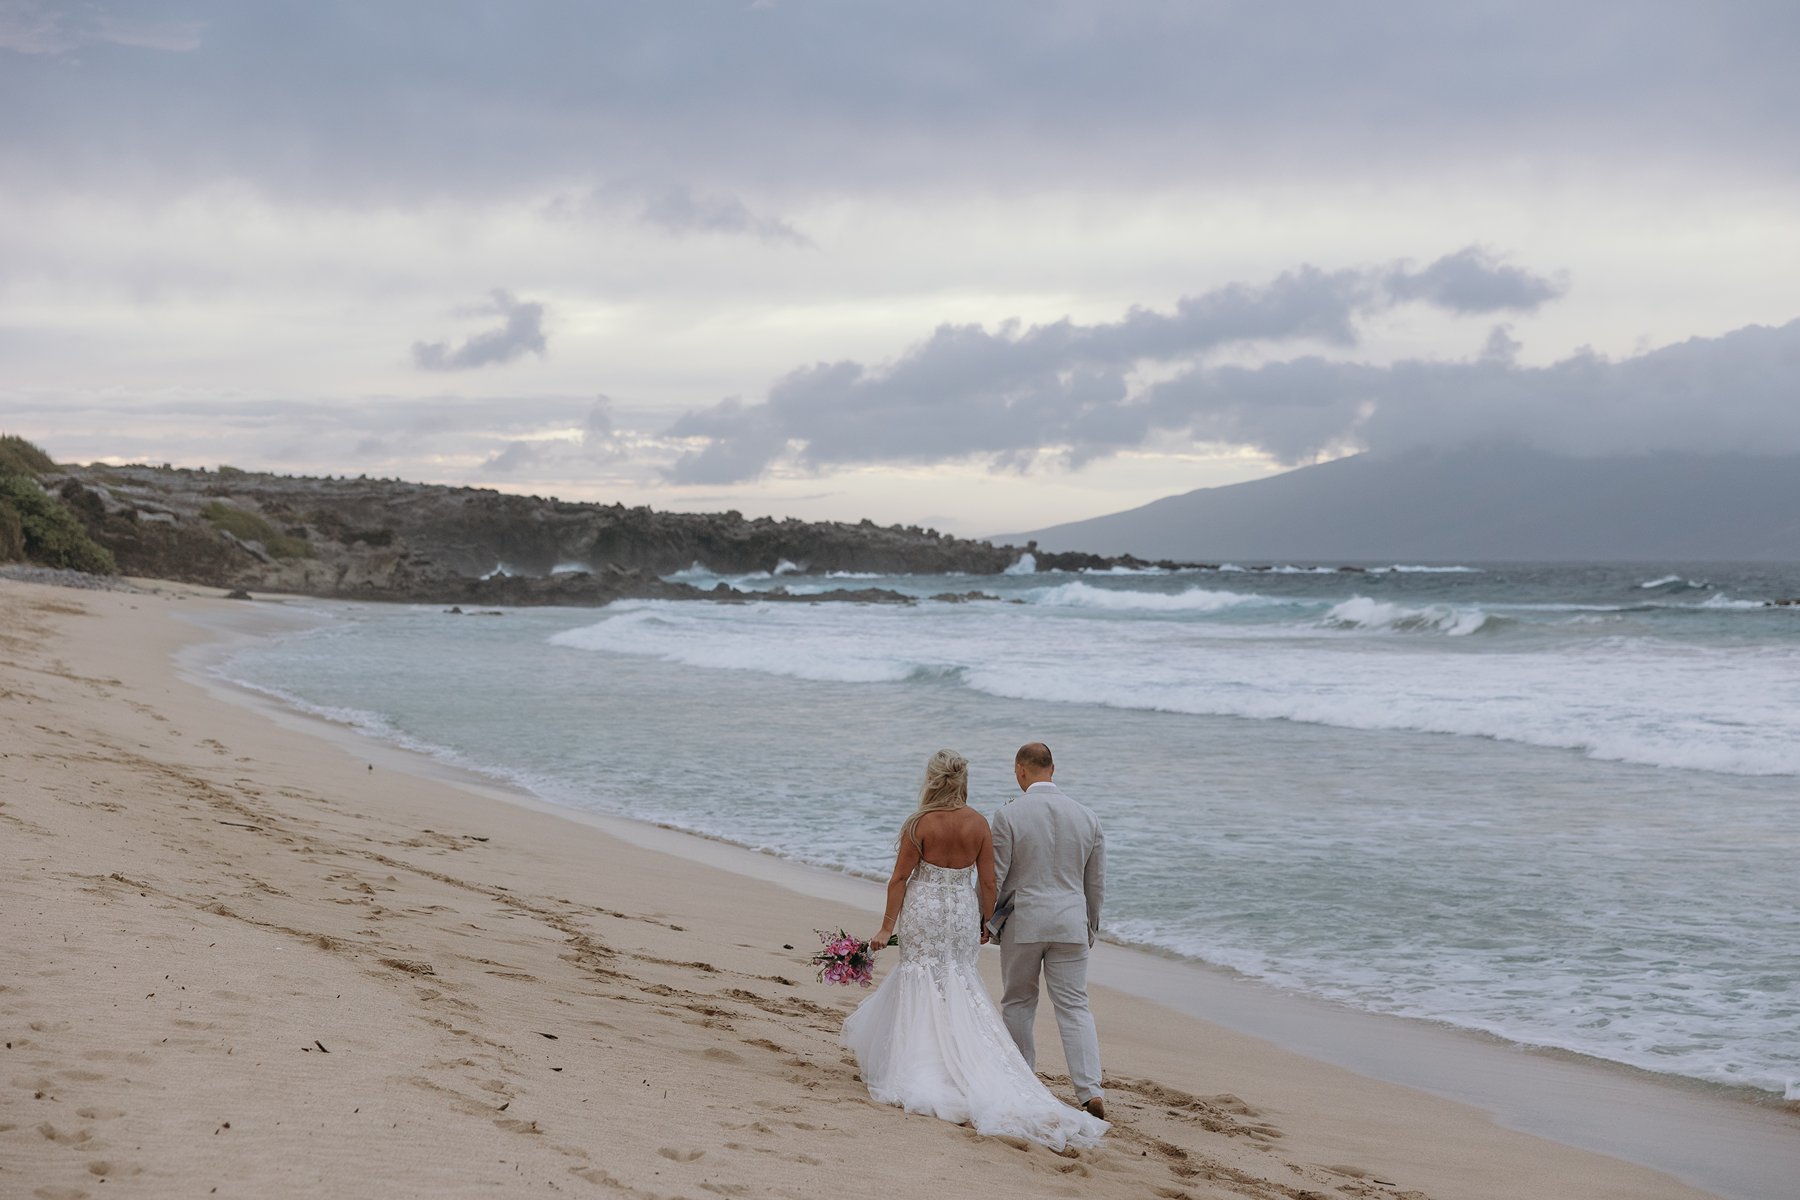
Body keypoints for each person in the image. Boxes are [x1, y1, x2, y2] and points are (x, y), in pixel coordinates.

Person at [840, 749, 1107, 1150]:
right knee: (988, 986)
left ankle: (983, 1067)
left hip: (959, 915)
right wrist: (988, 920)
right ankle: (1082, 1087)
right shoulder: (1000, 821)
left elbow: (907, 879)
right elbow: (994, 883)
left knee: (973, 989)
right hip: (1024, 919)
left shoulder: (936, 823)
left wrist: (888, 927)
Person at [990, 741, 1107, 1119]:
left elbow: (997, 876)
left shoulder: (1008, 815)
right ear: (1052, 770)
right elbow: (1096, 882)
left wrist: (989, 920)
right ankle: (1090, 1091)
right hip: (1071, 920)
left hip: (1024, 920)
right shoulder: (1087, 817)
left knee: (1019, 1001)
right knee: (1075, 1007)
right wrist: (1090, 924)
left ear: (1020, 771)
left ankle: (1021, 1079)